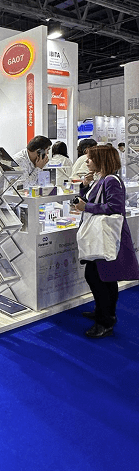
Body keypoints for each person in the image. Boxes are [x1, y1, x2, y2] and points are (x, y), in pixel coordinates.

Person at [71, 145, 139, 338]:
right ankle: (104, 313)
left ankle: (105, 320)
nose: (87, 161)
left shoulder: (111, 180)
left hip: (107, 236)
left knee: (100, 278)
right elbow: (90, 202)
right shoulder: (101, 179)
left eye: (90, 158)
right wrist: (85, 186)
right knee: (100, 277)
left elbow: (115, 208)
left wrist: (88, 206)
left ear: (101, 160)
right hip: (100, 237)